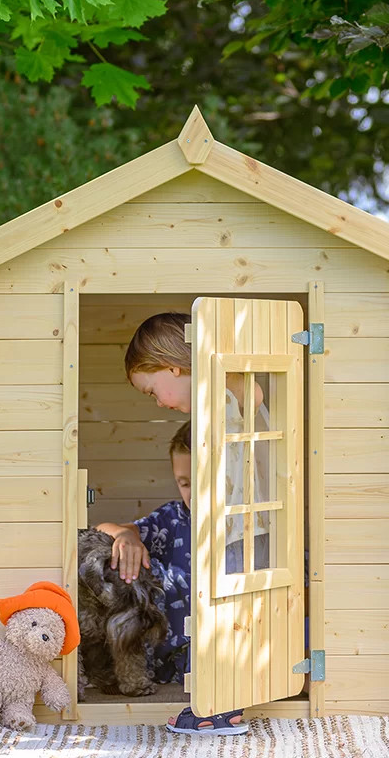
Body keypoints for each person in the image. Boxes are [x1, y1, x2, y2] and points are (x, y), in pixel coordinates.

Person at [103, 311, 270, 735]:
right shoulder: (209, 413)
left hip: (241, 528)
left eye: (153, 389)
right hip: (234, 528)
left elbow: (252, 393)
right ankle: (218, 702)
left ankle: (222, 707)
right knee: (223, 618)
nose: (158, 402)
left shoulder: (228, 394)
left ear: (174, 366)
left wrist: (214, 362)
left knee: (232, 617)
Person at [96, 421, 192, 689]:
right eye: (185, 484)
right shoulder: (172, 519)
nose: (193, 493)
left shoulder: (244, 520)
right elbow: (100, 530)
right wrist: (125, 536)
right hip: (169, 665)